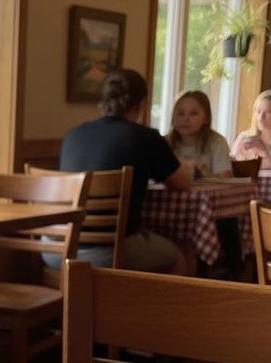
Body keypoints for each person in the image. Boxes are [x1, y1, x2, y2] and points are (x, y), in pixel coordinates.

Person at [58, 68, 191, 275]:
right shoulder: (145, 137)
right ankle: (146, 308)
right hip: (107, 250)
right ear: (141, 103)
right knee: (178, 259)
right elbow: (183, 182)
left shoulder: (72, 135)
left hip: (55, 247)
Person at [166, 90, 231, 179]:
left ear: (206, 118)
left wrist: (203, 171)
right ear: (173, 117)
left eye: (194, 114)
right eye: (180, 113)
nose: (185, 119)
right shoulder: (164, 142)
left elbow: (226, 179)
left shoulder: (217, 142)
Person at [230, 89, 271, 171]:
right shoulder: (244, 137)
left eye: (268, 112)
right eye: (258, 112)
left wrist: (265, 153)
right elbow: (230, 167)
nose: (261, 118)